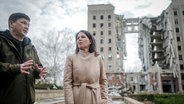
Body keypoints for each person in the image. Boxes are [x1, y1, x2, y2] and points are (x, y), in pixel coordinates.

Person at [0, 12, 47, 104]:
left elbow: (38, 66)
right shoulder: (2, 41)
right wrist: (16, 68)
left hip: (29, 100)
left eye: (28, 25)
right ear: (11, 24)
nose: (27, 27)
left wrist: (38, 72)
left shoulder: (31, 47)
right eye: (23, 23)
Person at [63, 30, 108, 104]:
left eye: (83, 37)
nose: (79, 39)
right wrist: (69, 102)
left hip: (95, 98)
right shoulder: (71, 58)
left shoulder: (98, 58)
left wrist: (104, 98)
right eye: (78, 38)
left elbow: (103, 81)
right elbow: (67, 82)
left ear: (90, 41)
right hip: (77, 97)